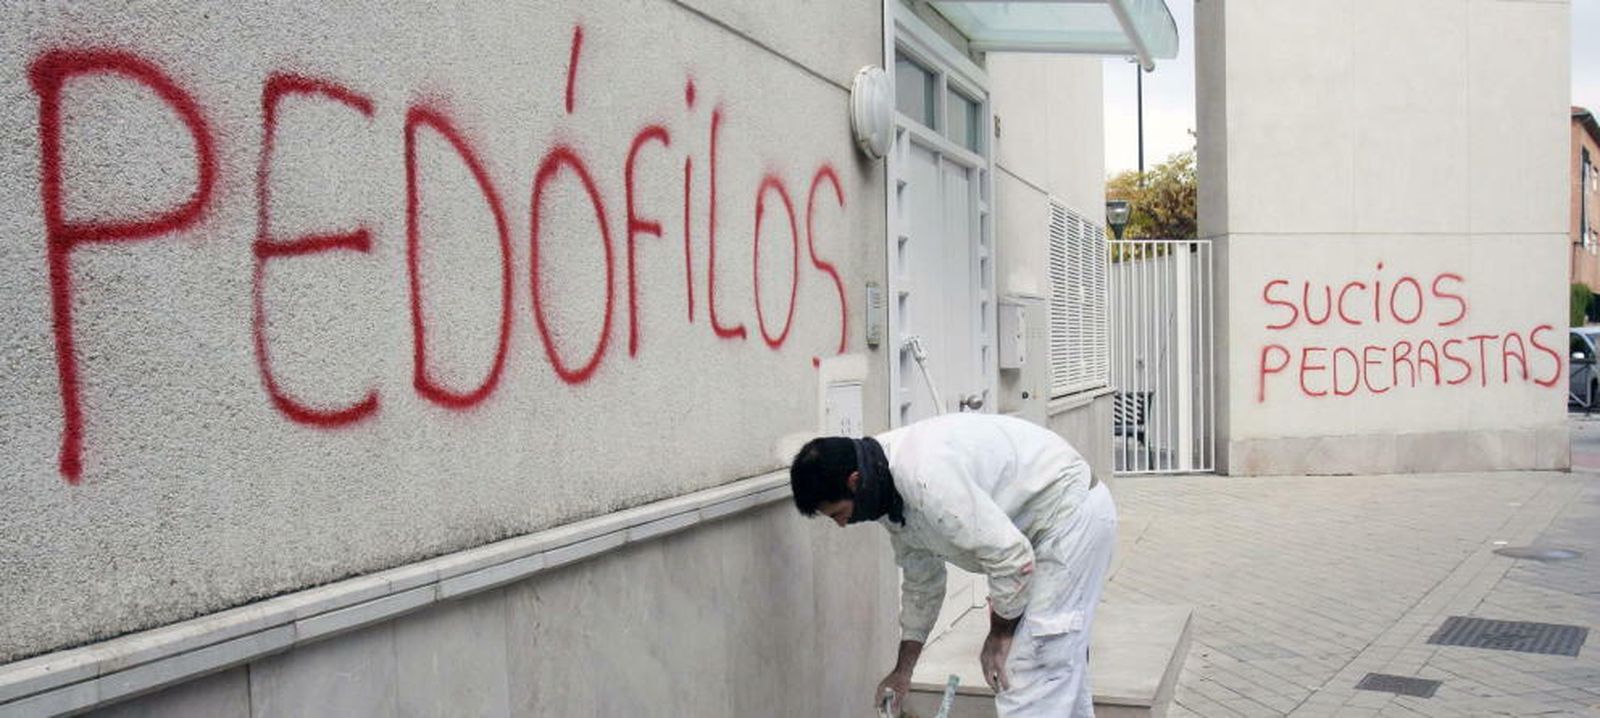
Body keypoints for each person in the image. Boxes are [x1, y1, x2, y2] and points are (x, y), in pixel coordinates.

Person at [789, 413, 1117, 717]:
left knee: (1029, 666)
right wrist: (903, 672)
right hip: (1041, 529)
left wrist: (999, 635)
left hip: (1067, 518)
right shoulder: (886, 492)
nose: (842, 525)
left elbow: (1011, 559)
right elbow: (922, 584)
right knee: (1058, 666)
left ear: (854, 481)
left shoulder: (925, 477)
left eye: (837, 514)